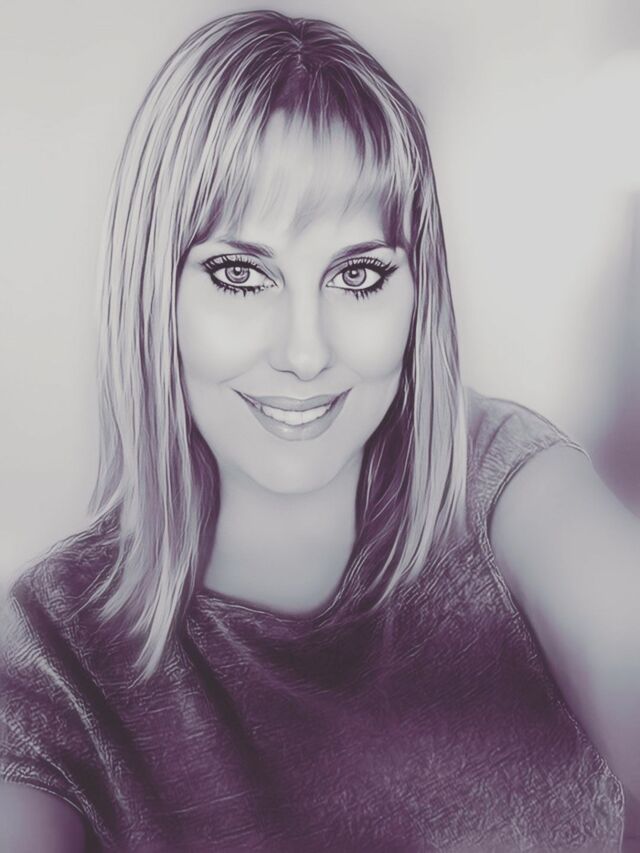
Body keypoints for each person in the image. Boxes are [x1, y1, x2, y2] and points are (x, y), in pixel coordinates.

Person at [1, 10, 638, 852]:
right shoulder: (53, 645)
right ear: (155, 295)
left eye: (358, 274)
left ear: (418, 296)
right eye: (240, 274)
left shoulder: (509, 488)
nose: (305, 351)